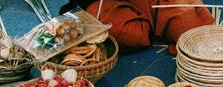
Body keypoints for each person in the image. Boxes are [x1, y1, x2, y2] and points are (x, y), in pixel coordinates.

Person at [59, 0, 213, 54]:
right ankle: (80, 15)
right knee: (125, 34)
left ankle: (154, 19)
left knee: (191, 32)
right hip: (105, 2)